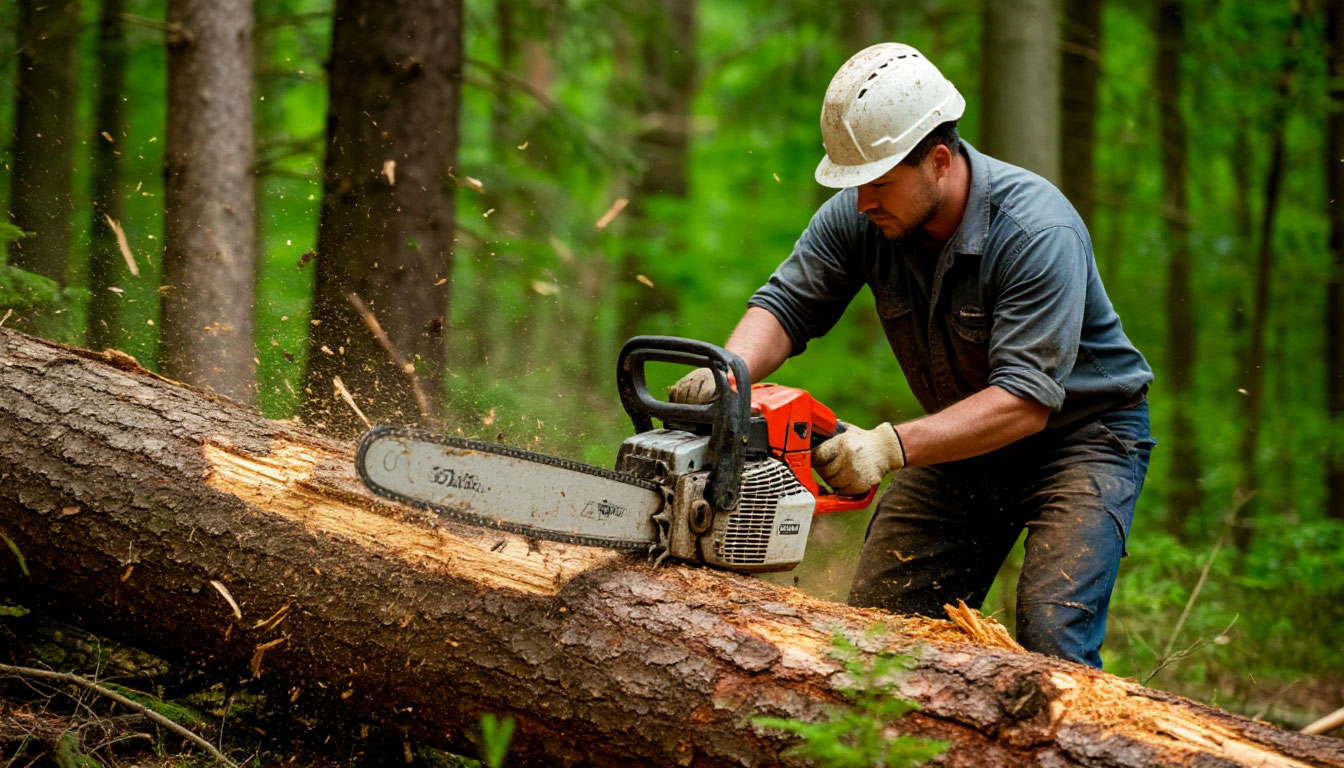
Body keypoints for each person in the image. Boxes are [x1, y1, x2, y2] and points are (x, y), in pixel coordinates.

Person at [669, 43, 1154, 669]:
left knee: (1052, 634)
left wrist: (887, 447)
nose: (864, 199)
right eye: (855, 183)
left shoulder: (1035, 230)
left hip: (1082, 439)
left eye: (877, 182)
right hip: (962, 439)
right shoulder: (862, 216)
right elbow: (787, 304)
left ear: (940, 161)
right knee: (881, 629)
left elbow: (1026, 401)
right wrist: (728, 376)